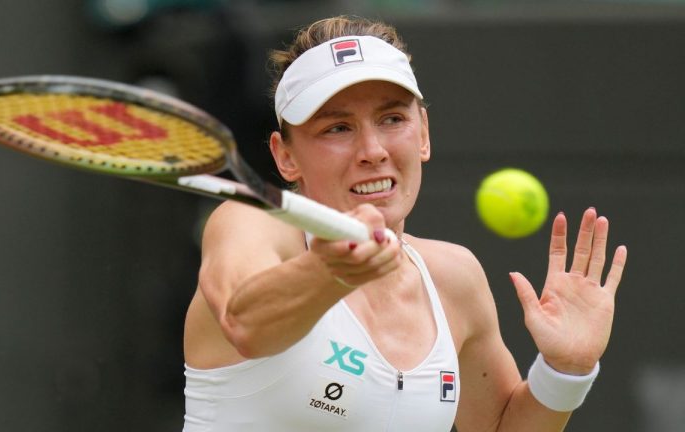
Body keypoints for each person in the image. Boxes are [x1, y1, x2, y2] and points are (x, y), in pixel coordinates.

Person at [181, 15, 628, 432]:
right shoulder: (250, 222)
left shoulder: (455, 276)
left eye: (392, 119)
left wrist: (564, 371)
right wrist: (329, 272)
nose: (373, 149)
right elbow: (245, 324)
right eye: (337, 128)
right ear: (285, 155)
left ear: (424, 134)